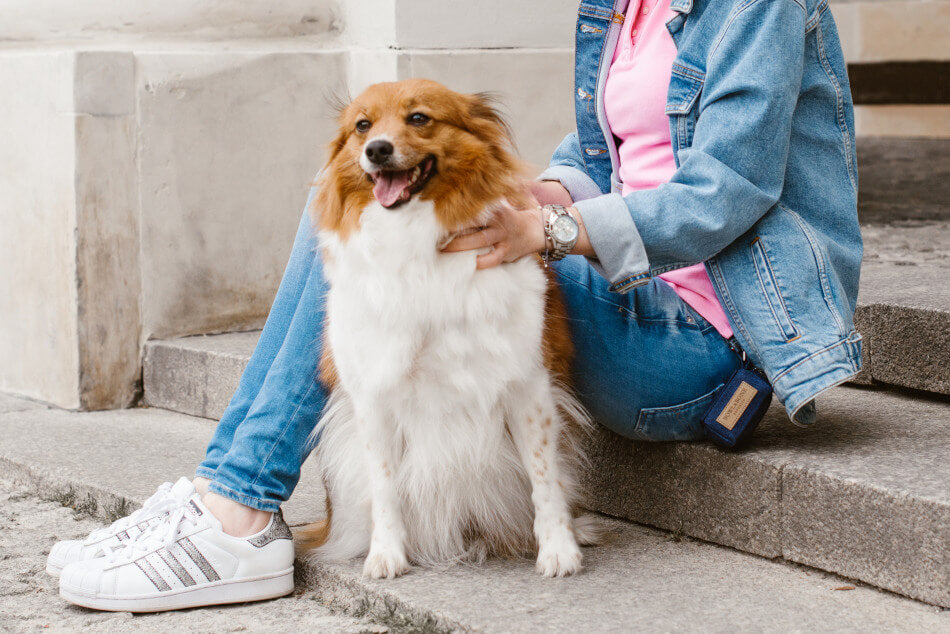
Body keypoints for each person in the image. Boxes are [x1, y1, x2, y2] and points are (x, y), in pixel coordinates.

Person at [51, 0, 862, 612]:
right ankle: (228, 495)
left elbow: (730, 189)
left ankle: (238, 503)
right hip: (624, 287)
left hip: (710, 343)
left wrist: (548, 228)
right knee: (352, 198)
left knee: (376, 226)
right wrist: (503, 196)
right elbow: (592, 155)